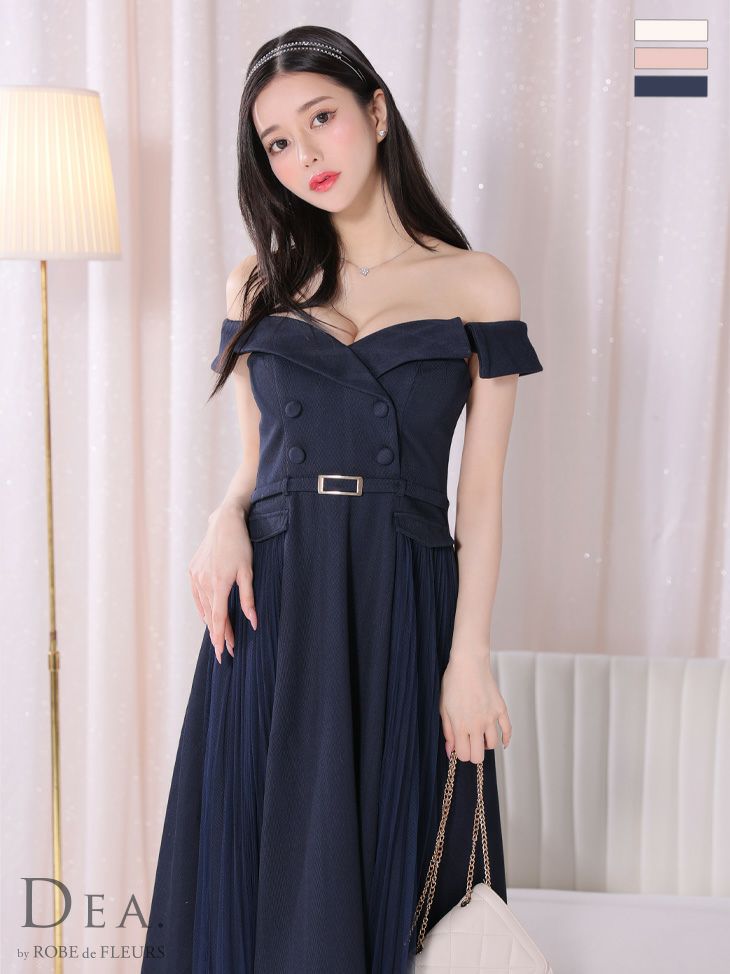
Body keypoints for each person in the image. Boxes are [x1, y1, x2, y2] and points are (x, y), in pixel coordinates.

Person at [141, 24, 543, 974]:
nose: (305, 155)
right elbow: (255, 459)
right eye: (278, 141)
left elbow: (481, 498)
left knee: (396, 868)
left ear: (377, 111)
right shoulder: (256, 281)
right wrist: (222, 518)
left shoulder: (478, 283)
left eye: (321, 118)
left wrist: (469, 657)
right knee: (260, 871)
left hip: (401, 597)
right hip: (273, 604)